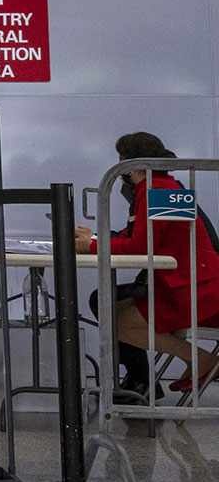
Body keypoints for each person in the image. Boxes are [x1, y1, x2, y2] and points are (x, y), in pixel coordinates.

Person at [77, 132, 219, 396]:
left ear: (132, 164)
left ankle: (201, 360)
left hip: (194, 292)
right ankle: (164, 373)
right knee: (113, 311)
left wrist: (92, 246)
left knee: (119, 324)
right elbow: (140, 237)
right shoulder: (166, 187)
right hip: (192, 285)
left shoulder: (159, 192)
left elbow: (141, 246)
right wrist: (95, 239)